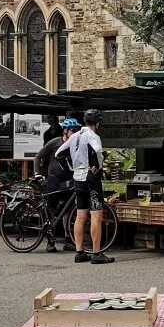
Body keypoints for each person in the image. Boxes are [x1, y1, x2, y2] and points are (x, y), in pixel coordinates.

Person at [58, 109, 114, 264]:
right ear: (97, 123)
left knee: (81, 216)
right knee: (96, 215)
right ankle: (96, 254)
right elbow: (97, 151)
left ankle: (80, 252)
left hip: (78, 178)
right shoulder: (93, 136)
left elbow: (59, 153)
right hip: (91, 179)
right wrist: (97, 166)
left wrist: (70, 168)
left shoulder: (75, 135)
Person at [35, 118, 80, 253]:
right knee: (51, 209)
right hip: (54, 180)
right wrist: (37, 173)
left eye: (78, 131)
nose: (76, 133)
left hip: (68, 180)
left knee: (68, 210)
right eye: (73, 131)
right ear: (65, 131)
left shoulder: (75, 144)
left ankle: (68, 239)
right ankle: (50, 240)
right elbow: (38, 156)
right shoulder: (55, 142)